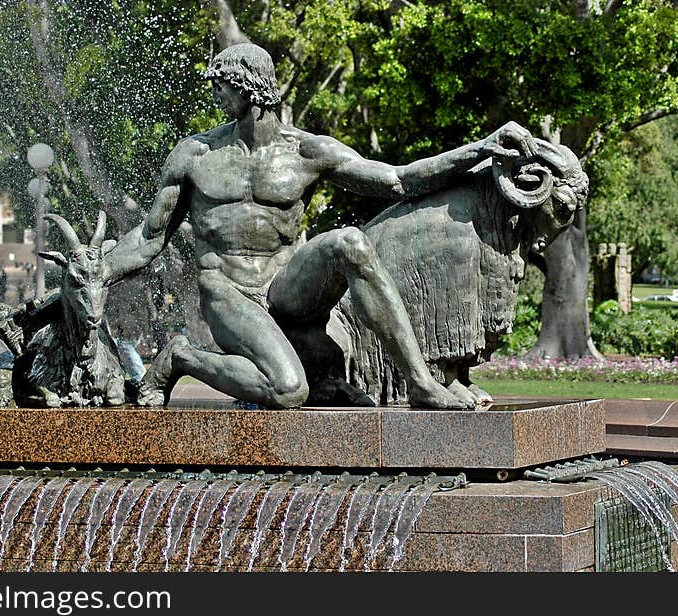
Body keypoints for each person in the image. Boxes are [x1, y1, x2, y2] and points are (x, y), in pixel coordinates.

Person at [106, 43, 535, 410]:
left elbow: (398, 180)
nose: (215, 93)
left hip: (284, 287)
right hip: (227, 290)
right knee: (287, 389)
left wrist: (478, 149)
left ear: (247, 87)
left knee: (349, 242)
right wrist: (100, 269)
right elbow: (148, 238)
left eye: (221, 84)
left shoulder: (307, 151)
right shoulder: (195, 154)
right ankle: (181, 357)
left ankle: (421, 383)